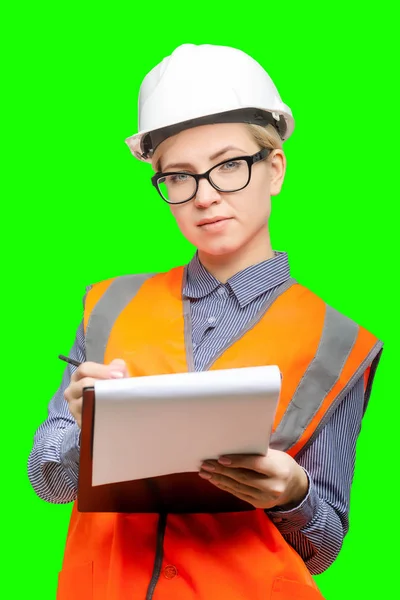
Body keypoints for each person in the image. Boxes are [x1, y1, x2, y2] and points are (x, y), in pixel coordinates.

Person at [28, 43, 383, 600]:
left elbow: (325, 549)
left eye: (229, 166)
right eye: (180, 176)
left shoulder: (338, 343)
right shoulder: (109, 304)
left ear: (274, 169)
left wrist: (294, 493)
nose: (206, 196)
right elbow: (48, 484)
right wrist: (77, 425)